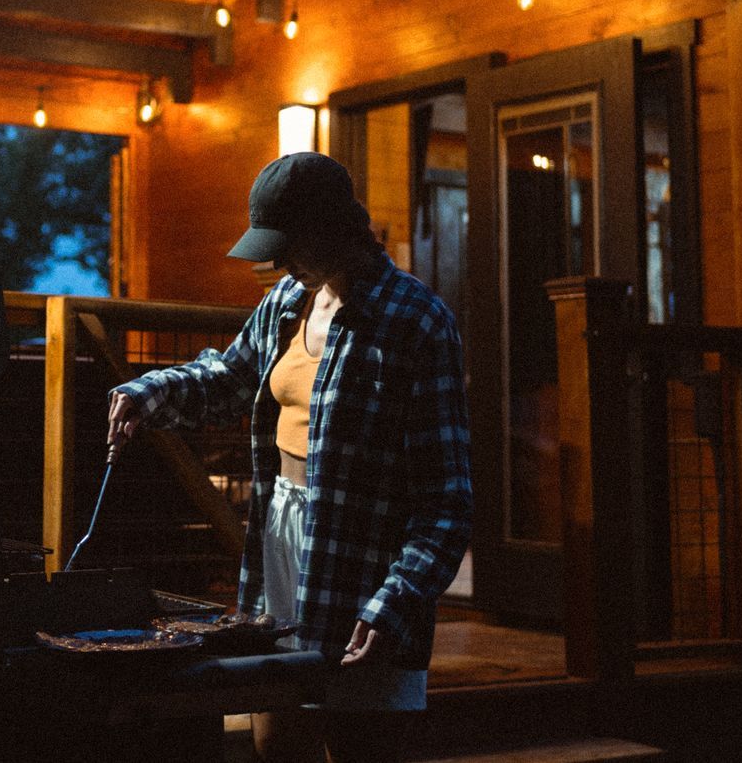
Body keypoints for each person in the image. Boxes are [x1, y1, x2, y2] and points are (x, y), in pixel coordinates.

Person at [107, 152, 472, 763]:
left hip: (363, 560)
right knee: (277, 742)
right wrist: (149, 393)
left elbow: (446, 502)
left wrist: (397, 600)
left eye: (287, 246)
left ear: (333, 229)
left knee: (366, 740)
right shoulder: (284, 303)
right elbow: (227, 378)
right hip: (282, 538)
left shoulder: (416, 321)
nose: (276, 263)